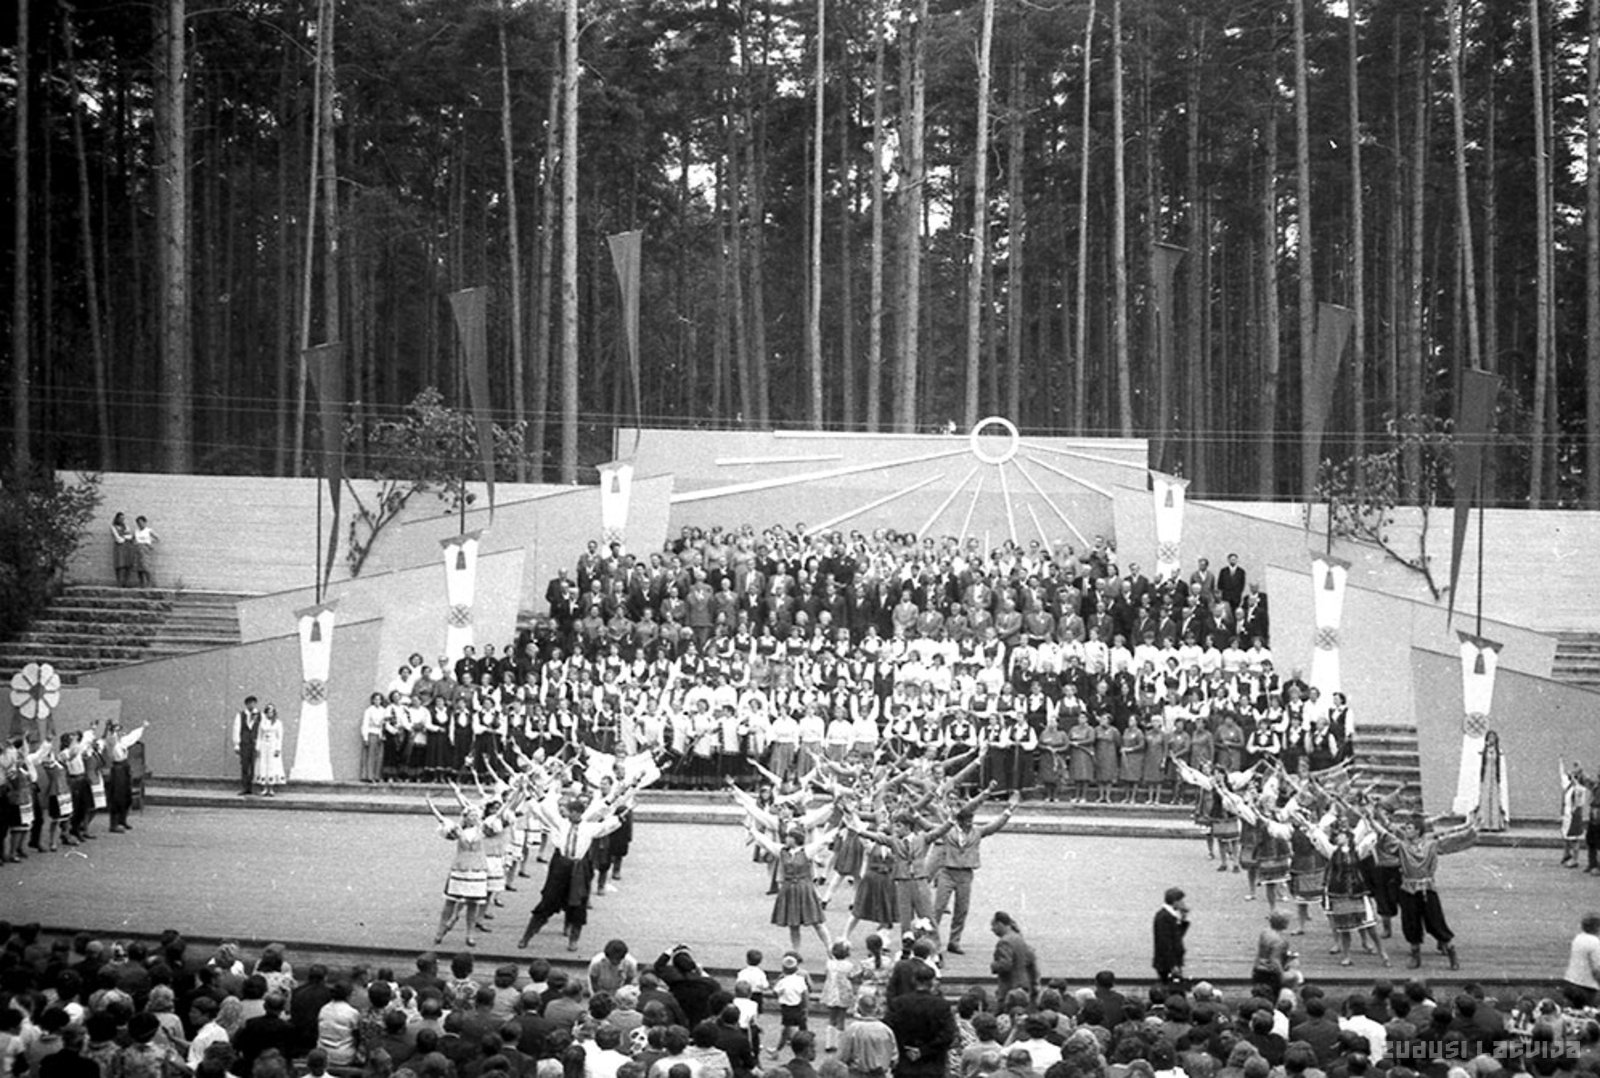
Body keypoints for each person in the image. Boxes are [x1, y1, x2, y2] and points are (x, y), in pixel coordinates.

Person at [931, 793, 1020, 955]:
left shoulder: (977, 831)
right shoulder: (948, 831)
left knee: (961, 910)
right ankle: (932, 940)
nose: (970, 824)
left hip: (966, 874)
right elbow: (931, 827)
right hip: (947, 872)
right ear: (959, 821)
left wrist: (1008, 811)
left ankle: (954, 941)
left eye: (971, 821)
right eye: (967, 822)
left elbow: (994, 826)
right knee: (938, 907)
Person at [883, 966, 954, 1078]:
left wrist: (904, 1047)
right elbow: (948, 1034)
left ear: (913, 980)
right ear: (932, 982)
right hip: (933, 1064)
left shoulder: (898, 1003)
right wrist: (924, 1050)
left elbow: (888, 1030)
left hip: (904, 1061)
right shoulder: (941, 1005)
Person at [987, 912, 1038, 1003]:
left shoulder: (1004, 942)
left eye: (993, 925)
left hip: (1010, 987)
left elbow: (1005, 965)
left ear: (1000, 924)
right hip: (1024, 985)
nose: (992, 929)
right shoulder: (1019, 938)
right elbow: (1031, 959)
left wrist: (994, 966)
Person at [1151, 886, 1189, 987]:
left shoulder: (1170, 916)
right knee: (1172, 987)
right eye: (1181, 901)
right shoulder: (1164, 917)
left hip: (1170, 962)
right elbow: (1165, 943)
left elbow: (1177, 937)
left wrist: (1183, 920)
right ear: (1175, 901)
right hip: (1167, 963)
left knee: (1174, 987)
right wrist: (1173, 964)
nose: (1183, 903)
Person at [1561, 912, 1600, 1007]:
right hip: (1586, 988)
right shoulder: (1595, 942)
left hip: (1570, 983)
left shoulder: (1578, 938)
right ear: (1597, 927)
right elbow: (1596, 969)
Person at [1476, 731, 1508, 832]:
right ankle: (1484, 824)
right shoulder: (1483, 752)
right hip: (1486, 778)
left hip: (1495, 778)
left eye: (1493, 737)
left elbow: (1501, 767)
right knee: (1484, 799)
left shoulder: (1499, 752)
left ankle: (1495, 825)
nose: (1491, 739)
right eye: (1489, 737)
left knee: (1495, 800)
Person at [232, 698, 262, 797]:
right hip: (244, 744)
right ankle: (245, 787)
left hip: (255, 744)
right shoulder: (240, 715)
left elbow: (261, 730)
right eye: (249, 703)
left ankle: (254, 787)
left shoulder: (260, 715)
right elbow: (236, 729)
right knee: (245, 766)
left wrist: (259, 744)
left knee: (255, 766)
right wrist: (236, 744)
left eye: (253, 703)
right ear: (246, 704)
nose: (251, 705)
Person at [254, 705, 286, 796]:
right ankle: (264, 788)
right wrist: (258, 748)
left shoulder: (278, 723)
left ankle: (271, 788)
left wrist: (278, 749)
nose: (270, 714)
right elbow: (259, 736)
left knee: (272, 765)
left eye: (271, 712)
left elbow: (279, 737)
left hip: (273, 746)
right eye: (268, 712)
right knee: (263, 765)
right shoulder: (262, 723)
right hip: (264, 746)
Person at [132, 515, 160, 588]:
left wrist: (149, 543)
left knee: (146, 567)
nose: (139, 524)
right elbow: (132, 539)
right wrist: (135, 543)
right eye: (138, 523)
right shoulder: (136, 531)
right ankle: (141, 583)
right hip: (138, 549)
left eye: (141, 522)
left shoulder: (149, 530)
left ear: (145, 522)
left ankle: (149, 583)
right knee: (139, 568)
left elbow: (157, 538)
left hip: (145, 549)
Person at [111, 512, 135, 588]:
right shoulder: (113, 527)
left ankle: (126, 582)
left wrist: (124, 536)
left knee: (127, 564)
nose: (122, 520)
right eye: (120, 518)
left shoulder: (126, 526)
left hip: (128, 547)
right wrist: (125, 536)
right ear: (117, 518)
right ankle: (119, 582)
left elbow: (130, 536)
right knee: (120, 564)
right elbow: (118, 539)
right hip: (119, 547)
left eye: (123, 518)